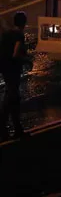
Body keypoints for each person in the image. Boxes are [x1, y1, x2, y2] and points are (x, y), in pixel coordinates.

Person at [0, 12, 28, 140]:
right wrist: (27, 60)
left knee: (10, 96)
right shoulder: (19, 35)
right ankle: (12, 128)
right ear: (24, 23)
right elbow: (16, 54)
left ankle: (11, 127)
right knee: (13, 97)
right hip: (13, 69)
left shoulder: (6, 33)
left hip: (4, 67)